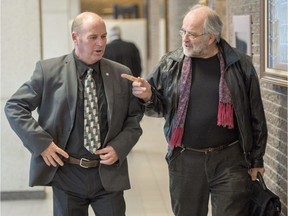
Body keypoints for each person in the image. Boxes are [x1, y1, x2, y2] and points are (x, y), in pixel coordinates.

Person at [122, 4, 267, 216]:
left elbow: (256, 115)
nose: (185, 38)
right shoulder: (171, 63)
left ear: (211, 37)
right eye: (183, 31)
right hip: (185, 159)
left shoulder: (239, 65)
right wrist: (148, 96)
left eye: (192, 34)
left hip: (230, 159)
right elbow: (158, 106)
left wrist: (256, 160)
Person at [5, 12, 143, 216]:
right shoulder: (49, 71)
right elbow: (15, 106)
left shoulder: (120, 73)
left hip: (107, 174)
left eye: (103, 36)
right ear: (75, 37)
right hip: (66, 174)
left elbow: (133, 119)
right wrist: (41, 143)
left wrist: (119, 147)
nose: (100, 43)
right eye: (93, 37)